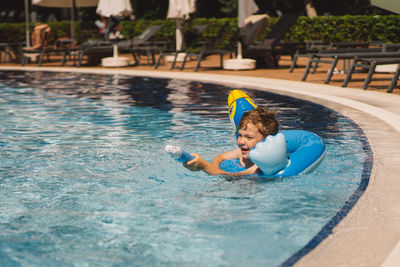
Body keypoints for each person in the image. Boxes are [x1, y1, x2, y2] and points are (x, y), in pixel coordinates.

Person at [185, 107, 279, 176]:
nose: (241, 141)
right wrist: (214, 167)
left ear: (266, 141)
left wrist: (204, 166)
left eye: (248, 137)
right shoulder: (241, 152)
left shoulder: (262, 165)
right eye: (240, 135)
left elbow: (234, 177)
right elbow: (220, 157)